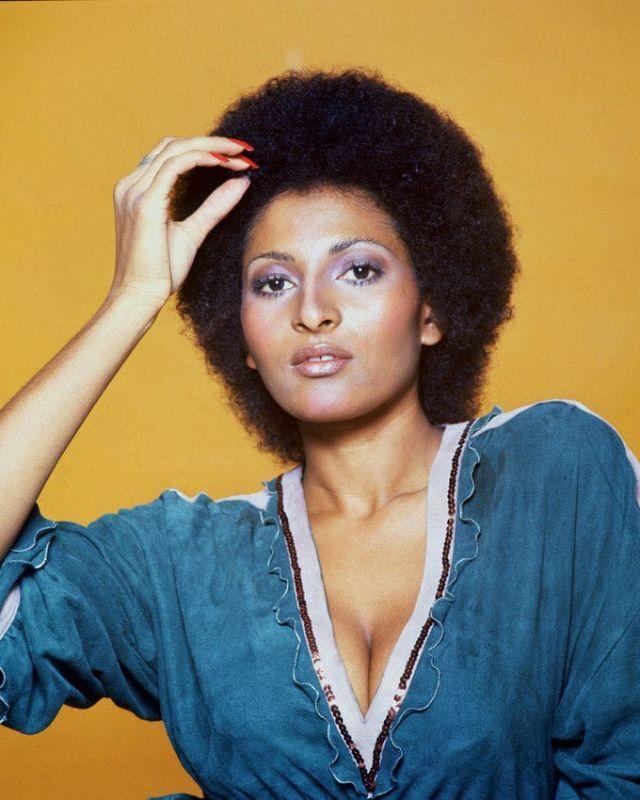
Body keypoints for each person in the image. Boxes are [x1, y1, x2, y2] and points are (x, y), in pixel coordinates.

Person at [0, 66, 638, 800]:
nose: (312, 312)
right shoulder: (180, 566)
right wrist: (132, 299)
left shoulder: (554, 475)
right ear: (240, 336)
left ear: (432, 310)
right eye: (272, 282)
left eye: (358, 271)